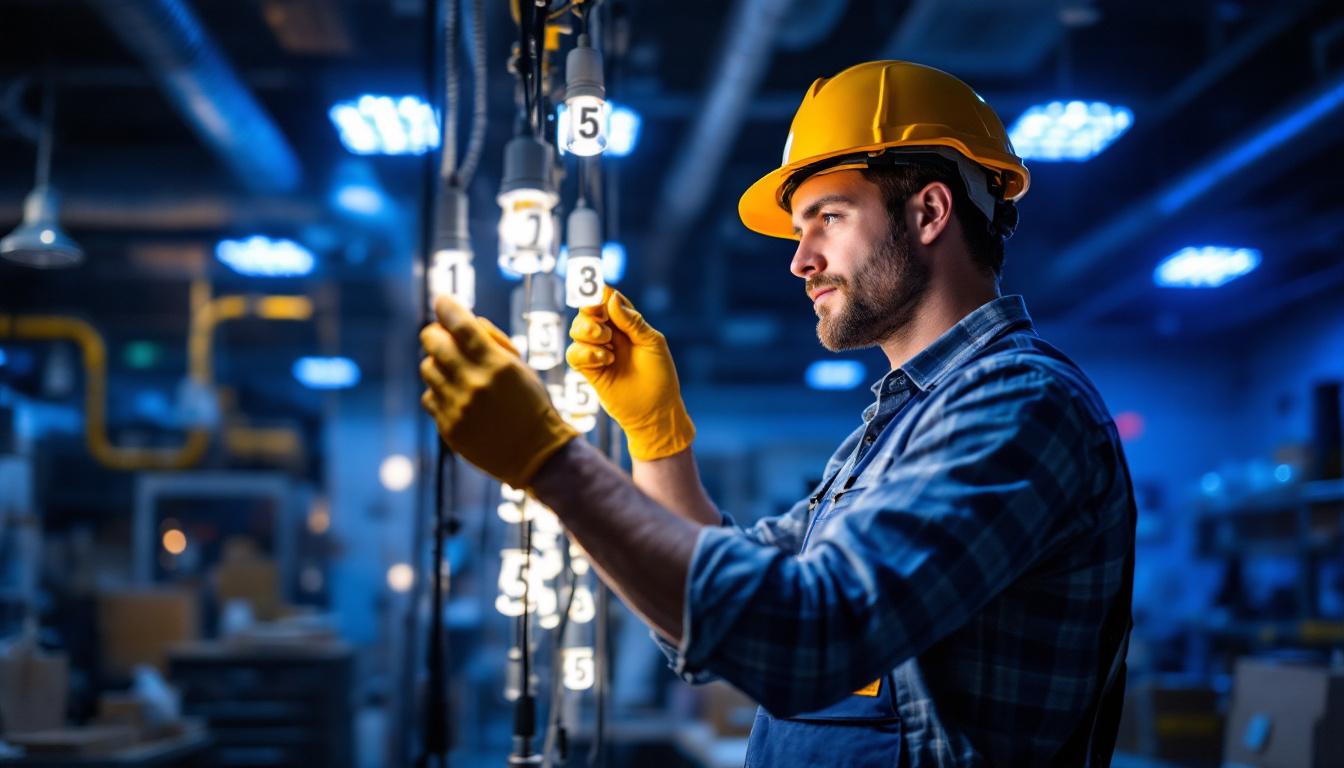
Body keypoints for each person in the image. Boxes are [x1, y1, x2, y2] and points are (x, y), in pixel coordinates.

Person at [419, 60, 1136, 766]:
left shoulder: (1021, 404)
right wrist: (656, 438)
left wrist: (555, 465)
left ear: (929, 212)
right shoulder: (893, 430)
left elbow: (811, 637)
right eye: (801, 229)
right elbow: (718, 622)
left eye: (828, 217)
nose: (801, 260)